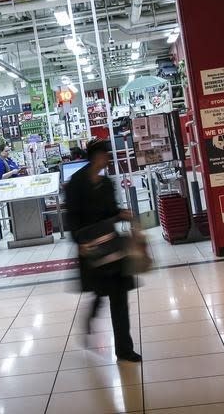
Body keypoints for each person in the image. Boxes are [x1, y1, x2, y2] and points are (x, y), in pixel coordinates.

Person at [65, 140, 141, 363]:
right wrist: (79, 241)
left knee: (119, 295)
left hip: (111, 245)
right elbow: (71, 217)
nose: (108, 159)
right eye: (106, 155)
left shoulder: (107, 183)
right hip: (91, 247)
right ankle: (89, 319)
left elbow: (111, 211)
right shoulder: (76, 183)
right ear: (96, 157)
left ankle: (124, 349)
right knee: (99, 291)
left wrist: (122, 214)